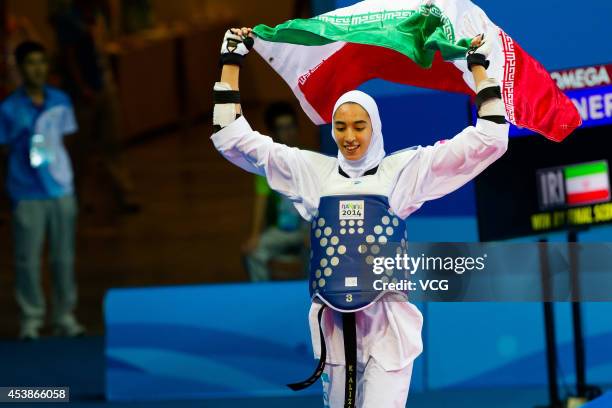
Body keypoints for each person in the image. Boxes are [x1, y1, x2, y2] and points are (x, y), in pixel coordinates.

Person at [212, 28, 508, 407]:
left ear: (375, 127)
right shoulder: (311, 172)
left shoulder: (403, 172)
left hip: (389, 330)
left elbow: (491, 139)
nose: (349, 136)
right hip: (332, 330)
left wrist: (479, 69)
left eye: (358, 126)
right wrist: (231, 59)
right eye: (340, 126)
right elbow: (230, 138)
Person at [0, 41, 85, 340]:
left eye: (42, 62)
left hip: (60, 190)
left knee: (63, 257)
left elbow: (68, 141)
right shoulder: (9, 109)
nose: (37, 68)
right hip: (26, 192)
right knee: (27, 259)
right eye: (30, 63)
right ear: (21, 68)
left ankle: (64, 315)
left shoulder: (60, 100)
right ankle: (31, 318)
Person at [50, 0, 140, 213]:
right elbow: (70, 57)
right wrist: (82, 88)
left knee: (112, 142)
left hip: (103, 85)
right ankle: (74, 198)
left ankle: (122, 193)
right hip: (83, 92)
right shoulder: (69, 20)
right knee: (79, 149)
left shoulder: (97, 19)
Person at [242, 102, 308, 281]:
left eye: (291, 126)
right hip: (278, 231)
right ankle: (261, 297)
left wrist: (313, 233)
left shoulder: (309, 161)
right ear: (273, 133)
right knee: (254, 253)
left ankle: (310, 297)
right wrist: (255, 235)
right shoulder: (265, 166)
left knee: (318, 253)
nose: (288, 132)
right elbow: (261, 200)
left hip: (305, 230)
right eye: (282, 128)